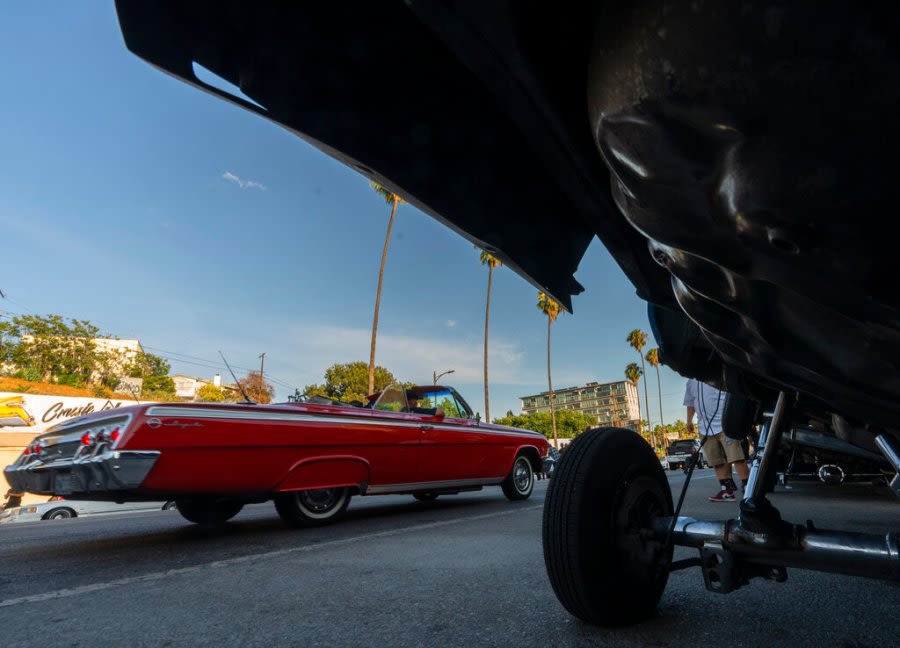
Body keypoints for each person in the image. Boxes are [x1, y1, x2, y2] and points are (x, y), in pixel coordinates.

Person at [683, 379, 750, 502]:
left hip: (726, 423)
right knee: (716, 460)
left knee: (737, 457)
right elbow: (690, 403)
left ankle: (748, 488)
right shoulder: (691, 382)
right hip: (705, 428)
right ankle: (727, 491)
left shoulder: (717, 374)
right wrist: (689, 420)